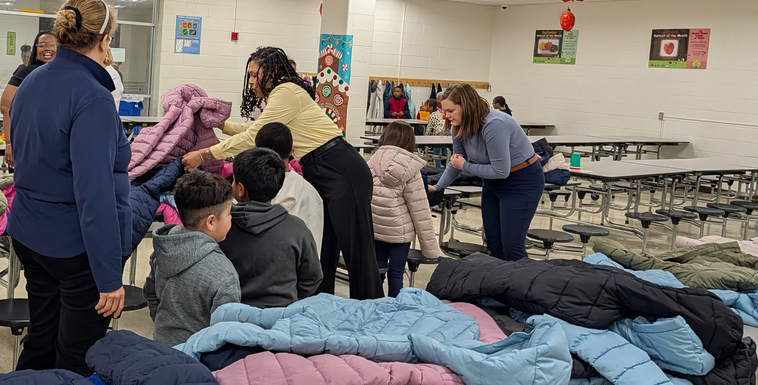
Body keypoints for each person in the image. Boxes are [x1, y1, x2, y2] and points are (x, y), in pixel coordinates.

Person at [183, 46, 382, 300]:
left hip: (341, 167)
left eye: (255, 75)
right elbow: (258, 130)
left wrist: (205, 154)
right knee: (325, 249)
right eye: (250, 76)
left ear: (271, 70)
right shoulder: (282, 95)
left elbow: (255, 137)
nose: (252, 82)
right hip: (322, 167)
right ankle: (323, 307)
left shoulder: (287, 92)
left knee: (358, 252)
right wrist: (222, 125)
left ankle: (372, 312)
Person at [8, 0, 130, 375]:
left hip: (30, 234)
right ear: (105, 41)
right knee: (78, 357)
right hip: (74, 247)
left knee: (42, 339)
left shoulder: (32, 82)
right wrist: (110, 278)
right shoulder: (92, 98)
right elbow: (94, 195)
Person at [430, 84, 543, 261]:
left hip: (521, 181)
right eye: (445, 111)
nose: (447, 115)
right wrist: (438, 186)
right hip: (492, 182)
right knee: (493, 243)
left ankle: (521, 285)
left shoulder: (494, 124)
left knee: (512, 246)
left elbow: (500, 171)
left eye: (451, 110)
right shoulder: (458, 126)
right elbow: (456, 161)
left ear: (466, 106)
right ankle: (497, 285)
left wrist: (466, 166)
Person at [145, 171, 240, 346]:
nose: (231, 217)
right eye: (228, 213)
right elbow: (225, 330)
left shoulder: (163, 249)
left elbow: (151, 294)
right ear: (210, 221)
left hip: (161, 347)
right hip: (200, 359)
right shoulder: (224, 273)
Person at [219, 148, 322, 308]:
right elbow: (313, 277)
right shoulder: (297, 229)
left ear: (241, 189)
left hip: (232, 317)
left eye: (233, 180)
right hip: (281, 319)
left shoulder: (222, 228)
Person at [368, 121, 440, 297]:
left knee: (377, 272)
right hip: (399, 234)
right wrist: (430, 249)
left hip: (375, 229)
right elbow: (420, 211)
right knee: (396, 274)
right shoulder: (411, 170)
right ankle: (395, 312)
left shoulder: (370, 162)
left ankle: (374, 306)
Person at [255, 122, 324, 252]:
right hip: (290, 268)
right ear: (292, 151)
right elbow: (314, 249)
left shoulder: (246, 187)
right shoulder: (309, 193)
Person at [1, 31, 56, 168]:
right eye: (42, 45)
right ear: (36, 49)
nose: (47, 48)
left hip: (58, 144)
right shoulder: (26, 73)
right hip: (30, 141)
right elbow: (6, 106)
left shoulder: (69, 74)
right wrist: (9, 144)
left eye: (52, 45)